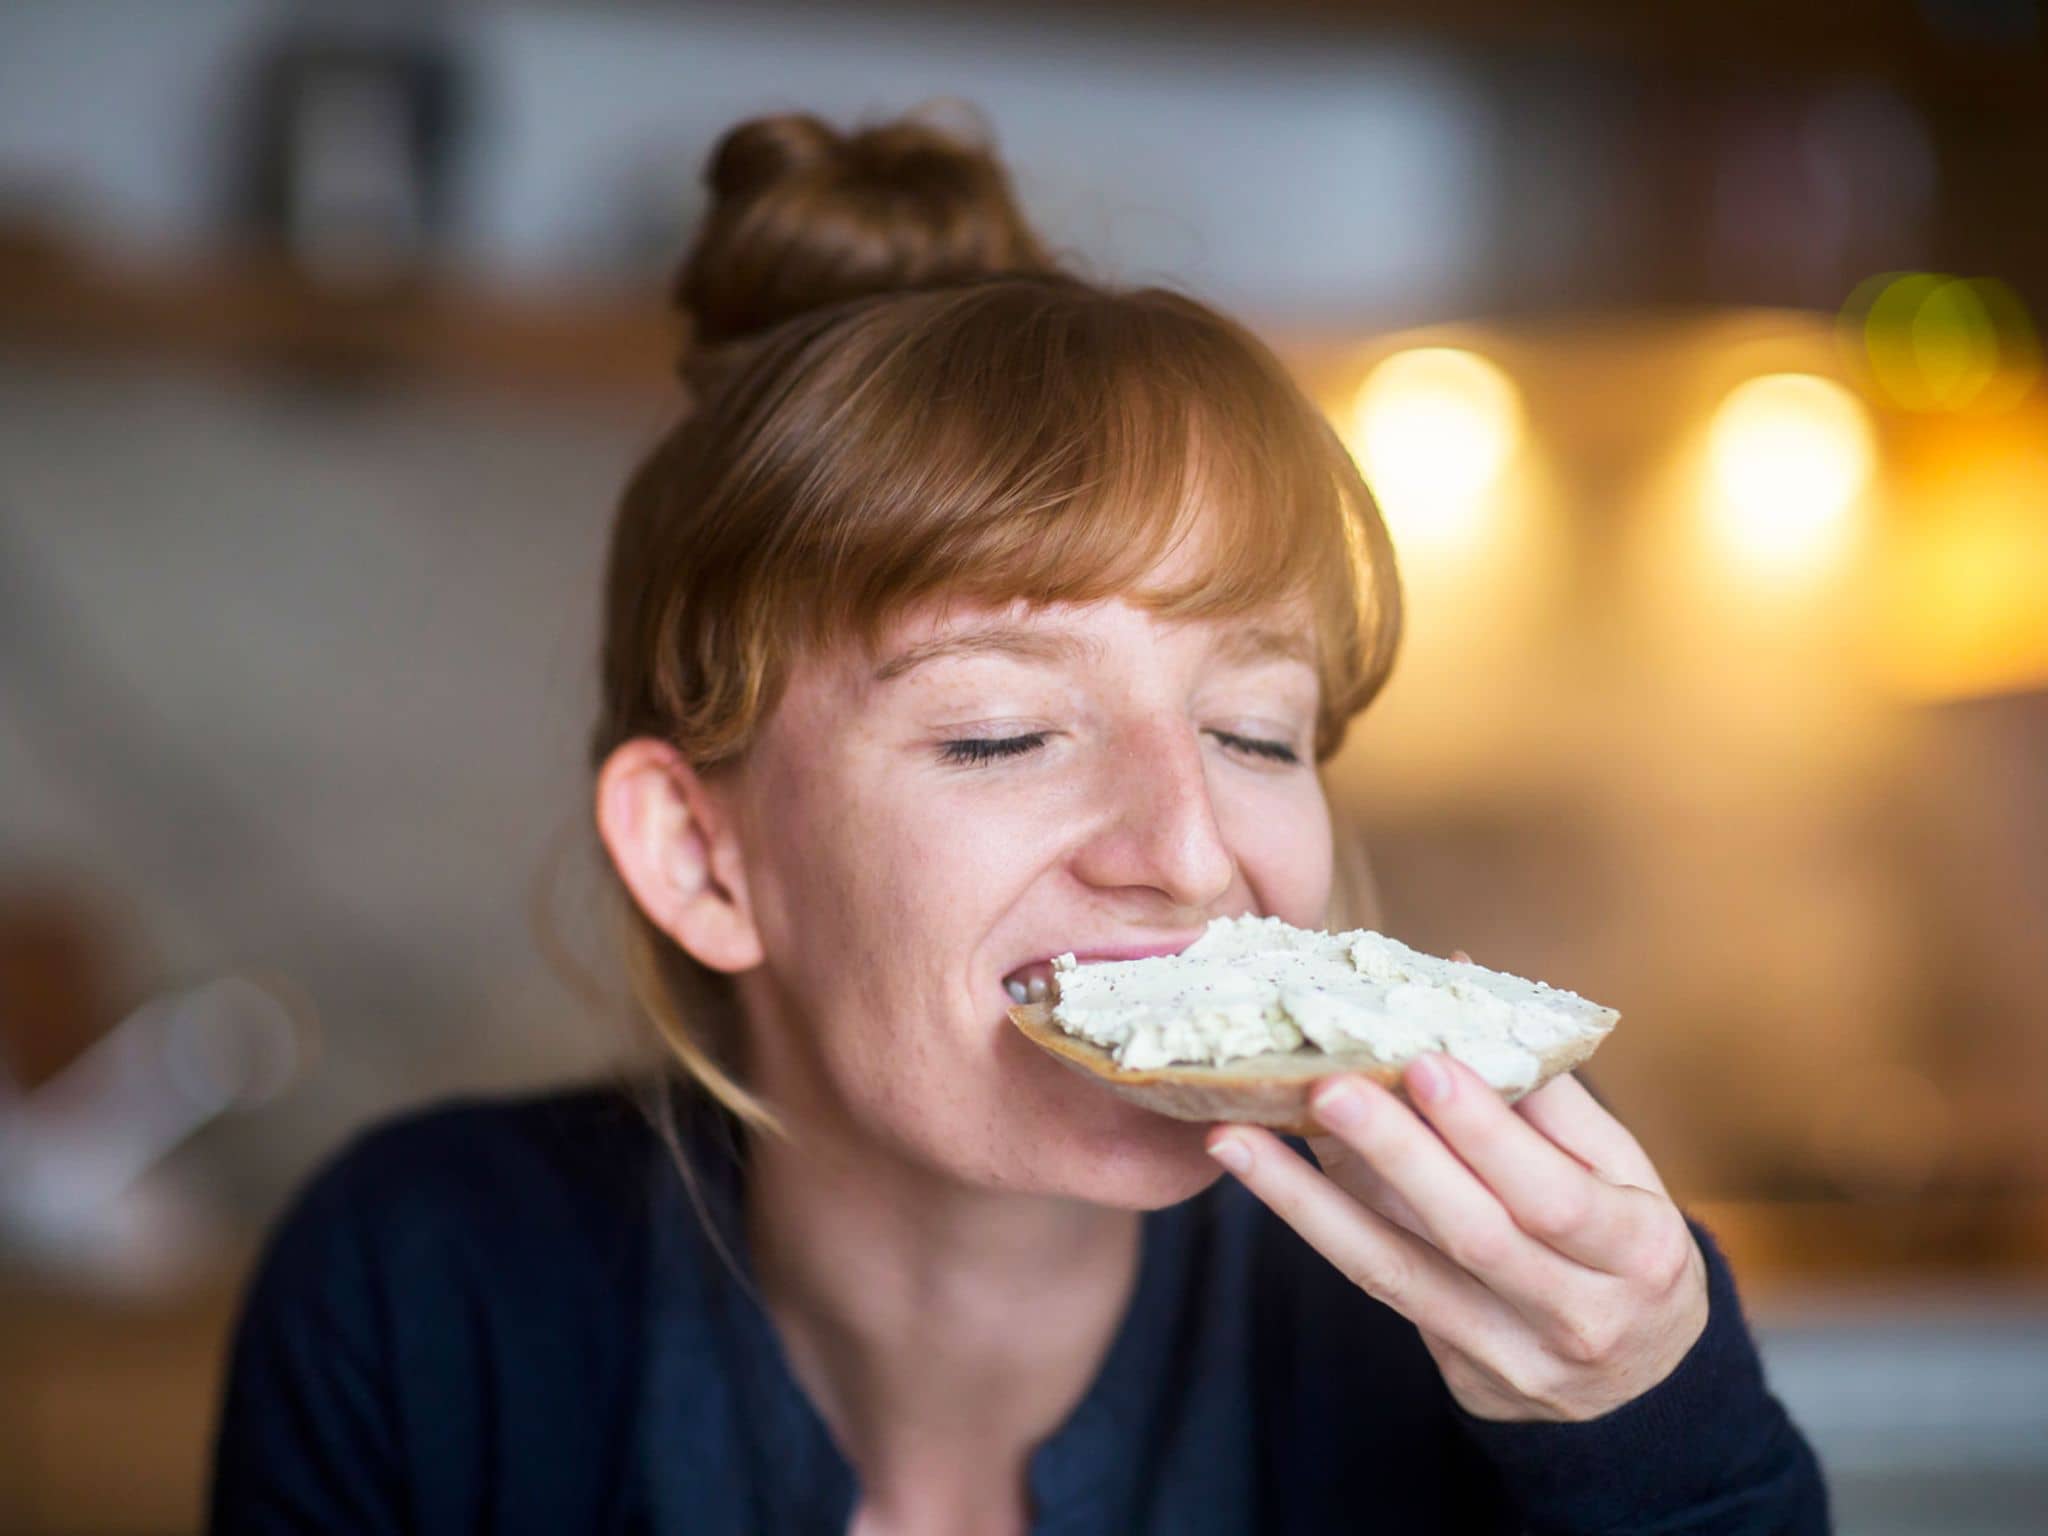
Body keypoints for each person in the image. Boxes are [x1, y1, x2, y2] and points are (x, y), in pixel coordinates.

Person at [207, 107, 1831, 1535]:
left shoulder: (1452, 1328)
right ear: (706, 860)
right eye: (1003, 732)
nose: (1192, 852)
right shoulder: (423, 1295)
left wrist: (1654, 1451)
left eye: (1258, 729)